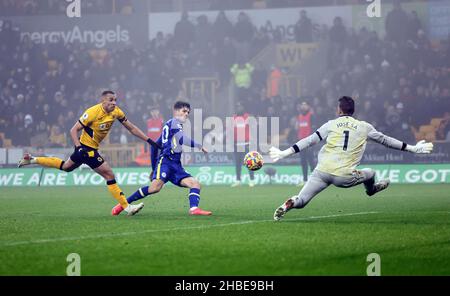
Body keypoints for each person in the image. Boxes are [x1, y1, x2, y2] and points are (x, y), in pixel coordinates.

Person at [269, 96, 433, 221]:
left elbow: (309, 140)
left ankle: (289, 203)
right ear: (353, 111)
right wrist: (412, 148)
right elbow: (386, 140)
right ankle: (371, 190)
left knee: (303, 200)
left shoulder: (330, 124)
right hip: (343, 176)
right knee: (370, 172)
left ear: (339, 110)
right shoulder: (364, 127)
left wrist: (285, 152)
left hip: (321, 171)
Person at [18, 91, 161, 216]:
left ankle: (32, 160)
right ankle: (127, 207)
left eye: (115, 100)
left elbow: (131, 128)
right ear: (103, 101)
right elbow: (73, 130)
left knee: (66, 166)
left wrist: (148, 140)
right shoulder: (92, 112)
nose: (114, 103)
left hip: (88, 149)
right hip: (86, 149)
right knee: (109, 175)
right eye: (111, 100)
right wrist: (79, 147)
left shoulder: (116, 112)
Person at [111, 101, 212, 216]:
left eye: (188, 112)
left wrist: (153, 168)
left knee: (195, 184)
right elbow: (181, 138)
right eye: (184, 111)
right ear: (176, 111)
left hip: (176, 166)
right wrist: (199, 145)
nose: (186, 114)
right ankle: (122, 205)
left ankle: (194, 209)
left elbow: (155, 146)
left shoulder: (169, 126)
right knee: (154, 188)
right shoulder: (174, 123)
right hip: (166, 163)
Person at [230, 102, 255, 187]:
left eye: (240, 107)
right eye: (237, 107)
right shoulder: (234, 118)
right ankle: (238, 180)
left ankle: (251, 180)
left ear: (243, 108)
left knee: (249, 162)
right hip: (237, 144)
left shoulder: (247, 117)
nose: (239, 108)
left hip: (246, 143)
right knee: (237, 163)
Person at [295, 101, 315, 186]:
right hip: (301, 143)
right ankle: (305, 180)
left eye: (305, 105)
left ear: (308, 107)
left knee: (311, 162)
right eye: (302, 105)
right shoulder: (299, 117)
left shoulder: (311, 116)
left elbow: (314, 129)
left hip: (309, 143)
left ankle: (315, 180)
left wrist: (312, 142)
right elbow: (298, 129)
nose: (303, 107)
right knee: (303, 162)